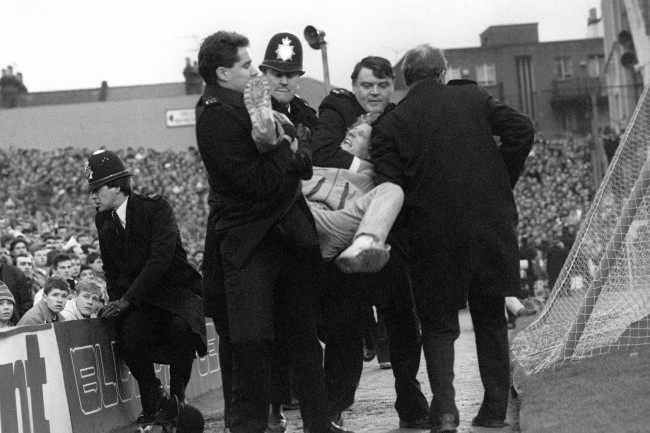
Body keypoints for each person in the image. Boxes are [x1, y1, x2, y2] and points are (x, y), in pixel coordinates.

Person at [370, 44, 535, 432]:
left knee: (440, 326)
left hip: (431, 236)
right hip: (488, 227)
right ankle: (494, 410)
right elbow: (521, 129)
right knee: (491, 317)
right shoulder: (471, 96)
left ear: (406, 81)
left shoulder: (391, 124)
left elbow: (389, 189)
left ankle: (444, 412)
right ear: (443, 72)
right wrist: (501, 182)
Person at [195, 31, 348, 433]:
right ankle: (250, 423)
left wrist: (288, 149)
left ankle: (318, 423)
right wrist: (288, 148)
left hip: (287, 236)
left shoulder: (261, 106)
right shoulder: (217, 114)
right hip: (249, 242)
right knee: (250, 341)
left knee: (301, 338)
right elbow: (253, 181)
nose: (264, 76)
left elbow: (306, 165)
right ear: (224, 72)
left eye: (289, 74)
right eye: (250, 66)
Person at [304, 55, 430, 429]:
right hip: (336, 236)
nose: (374, 92)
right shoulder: (337, 107)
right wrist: (364, 157)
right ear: (354, 85)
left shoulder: (400, 118)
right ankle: (334, 406)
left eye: (381, 85)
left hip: (384, 241)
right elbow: (323, 151)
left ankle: (409, 397)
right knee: (344, 328)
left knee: (402, 321)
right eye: (366, 85)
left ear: (393, 86)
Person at [84, 149, 207, 425]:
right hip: (143, 301)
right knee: (128, 339)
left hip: (175, 292)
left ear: (116, 186)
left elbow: (159, 261)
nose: (92, 196)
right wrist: (117, 305)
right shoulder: (102, 219)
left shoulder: (156, 208)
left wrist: (126, 301)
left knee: (181, 328)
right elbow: (111, 270)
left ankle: (177, 401)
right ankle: (153, 399)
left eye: (96, 189)